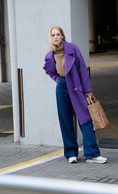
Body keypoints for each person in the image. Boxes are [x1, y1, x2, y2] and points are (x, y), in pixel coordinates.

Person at [43, 26, 107, 164]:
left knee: (86, 119)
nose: (55, 37)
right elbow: (49, 71)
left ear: (62, 36)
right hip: (62, 87)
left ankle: (92, 154)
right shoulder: (50, 55)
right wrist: (58, 80)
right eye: (53, 35)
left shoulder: (73, 49)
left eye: (58, 34)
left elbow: (83, 70)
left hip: (77, 87)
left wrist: (88, 91)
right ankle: (71, 154)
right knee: (65, 121)